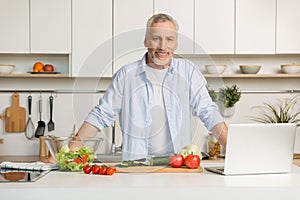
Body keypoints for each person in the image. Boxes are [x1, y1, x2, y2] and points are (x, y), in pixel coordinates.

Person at [76, 13, 228, 161]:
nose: (163, 46)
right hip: (137, 167)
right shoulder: (126, 75)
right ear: (146, 41)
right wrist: (69, 150)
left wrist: (231, 148)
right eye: (156, 38)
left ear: (176, 44)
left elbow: (208, 111)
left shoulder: (188, 72)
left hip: (178, 166)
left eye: (169, 39)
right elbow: (101, 114)